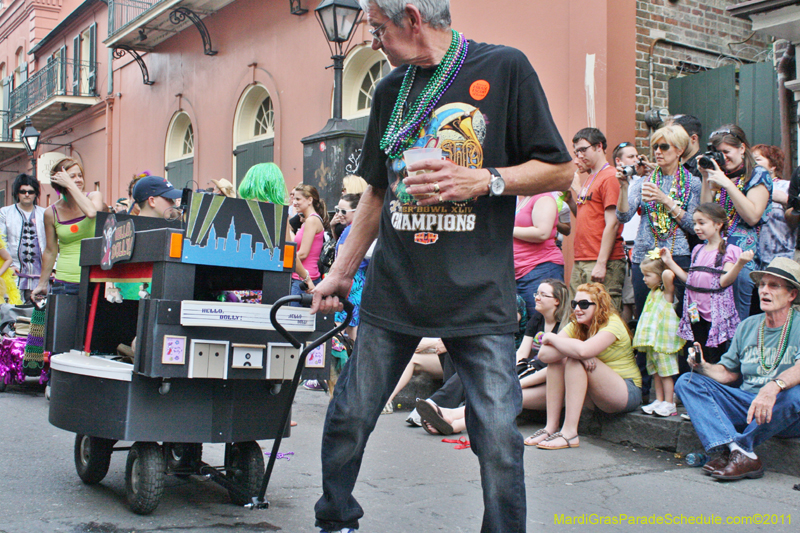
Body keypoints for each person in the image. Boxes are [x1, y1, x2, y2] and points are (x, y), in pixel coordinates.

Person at [309, 1, 573, 531]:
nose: (373, 41)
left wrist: (484, 180)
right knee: (349, 418)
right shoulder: (390, 90)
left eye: (379, 29)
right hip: (395, 291)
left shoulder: (504, 68)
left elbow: (561, 170)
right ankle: (335, 517)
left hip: (479, 296)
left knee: (498, 436)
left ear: (411, 18)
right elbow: (376, 194)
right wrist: (339, 271)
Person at [674, 257, 800, 481]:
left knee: (796, 394)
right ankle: (738, 450)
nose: (764, 290)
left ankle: (735, 448)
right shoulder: (748, 325)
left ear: (792, 295)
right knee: (688, 381)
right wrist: (703, 366)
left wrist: (773, 388)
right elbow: (728, 372)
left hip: (783, 411)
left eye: (774, 285)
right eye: (762, 285)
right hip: (747, 405)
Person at [528, 283, 642, 449]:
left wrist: (552, 339)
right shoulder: (578, 324)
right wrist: (574, 346)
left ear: (600, 306)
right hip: (594, 393)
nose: (578, 309)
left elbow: (583, 351)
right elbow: (545, 355)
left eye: (584, 304)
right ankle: (550, 427)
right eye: (575, 304)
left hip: (624, 391)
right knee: (559, 360)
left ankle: (569, 433)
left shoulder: (613, 323)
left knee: (574, 360)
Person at [616, 125, 701, 319]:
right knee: (645, 315)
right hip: (644, 257)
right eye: (655, 147)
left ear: (679, 150)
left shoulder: (692, 183)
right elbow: (623, 216)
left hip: (676, 255)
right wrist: (623, 188)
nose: (657, 152)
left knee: (678, 316)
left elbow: (693, 226)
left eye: (664, 147)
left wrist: (665, 199)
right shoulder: (643, 181)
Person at [661, 203, 753, 364]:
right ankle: (698, 381)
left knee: (713, 354)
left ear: (718, 224)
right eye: (695, 223)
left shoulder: (729, 250)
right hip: (695, 310)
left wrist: (739, 264)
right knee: (697, 347)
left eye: (702, 223)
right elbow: (689, 279)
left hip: (714, 313)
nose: (697, 227)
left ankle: (712, 383)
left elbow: (724, 281)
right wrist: (669, 262)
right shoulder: (697, 249)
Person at [699, 124, 771, 320]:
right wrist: (706, 177)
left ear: (742, 148)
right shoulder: (721, 174)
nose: (723, 157)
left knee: (737, 319)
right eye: (718, 153)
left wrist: (727, 184)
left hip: (743, 258)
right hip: (715, 254)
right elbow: (705, 215)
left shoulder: (758, 174)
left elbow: (752, 216)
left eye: (726, 152)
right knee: (713, 319)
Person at [569, 127, 626, 310]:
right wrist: (571, 198)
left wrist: (601, 264)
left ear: (598, 146)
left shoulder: (609, 176)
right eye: (576, 151)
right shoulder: (589, 178)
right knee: (577, 318)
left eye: (583, 149)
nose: (579, 155)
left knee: (604, 318)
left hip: (602, 260)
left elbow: (613, 223)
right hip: (582, 258)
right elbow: (587, 217)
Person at [32, 158, 106, 299]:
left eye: (80, 175)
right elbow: (50, 250)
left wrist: (70, 184)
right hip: (64, 281)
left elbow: (91, 213)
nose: (78, 179)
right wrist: (42, 284)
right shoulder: (50, 212)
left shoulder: (94, 196)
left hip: (94, 279)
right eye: (72, 176)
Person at [632, 252, 683, 416]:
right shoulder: (651, 293)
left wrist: (664, 263)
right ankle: (659, 400)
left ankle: (670, 402)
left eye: (648, 275)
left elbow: (669, 275)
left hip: (664, 343)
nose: (644, 279)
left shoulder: (666, 293)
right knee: (655, 373)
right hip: (652, 342)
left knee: (666, 373)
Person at [517, 279, 569, 416]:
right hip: (529, 369)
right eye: (537, 294)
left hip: (545, 379)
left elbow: (554, 367)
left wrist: (518, 383)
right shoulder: (538, 317)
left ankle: (456, 420)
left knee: (505, 395)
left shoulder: (565, 326)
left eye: (543, 295)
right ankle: (454, 416)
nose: (536, 298)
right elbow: (522, 351)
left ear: (557, 300)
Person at [513, 193, 563, 320]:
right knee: (527, 324)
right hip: (522, 271)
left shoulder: (544, 197)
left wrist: (506, 229)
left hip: (539, 268)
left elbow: (542, 232)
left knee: (540, 323)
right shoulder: (525, 198)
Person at [0, 173, 46, 302]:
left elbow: (53, 243)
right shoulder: (5, 213)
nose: (27, 194)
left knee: (38, 315)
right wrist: (9, 266)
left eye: (31, 191)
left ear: (36, 193)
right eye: (23, 191)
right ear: (17, 193)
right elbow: (2, 241)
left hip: (40, 276)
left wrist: (52, 268)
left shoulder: (45, 213)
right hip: (14, 274)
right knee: (14, 313)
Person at [753, 145, 794, 267]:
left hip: (781, 255)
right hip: (752, 256)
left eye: (758, 159)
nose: (754, 163)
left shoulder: (787, 187)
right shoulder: (747, 188)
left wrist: (786, 200)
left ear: (773, 165)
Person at [291, 184, 327, 297]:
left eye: (298, 199)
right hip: (302, 277)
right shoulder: (308, 220)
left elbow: (303, 253)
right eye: (293, 199)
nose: (294, 202)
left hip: (303, 279)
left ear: (309, 200)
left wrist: (284, 260)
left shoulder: (312, 220)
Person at [669, 114, 703, 179]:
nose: (673, 141)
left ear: (693, 138)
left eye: (679, 137)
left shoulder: (702, 168)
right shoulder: (672, 163)